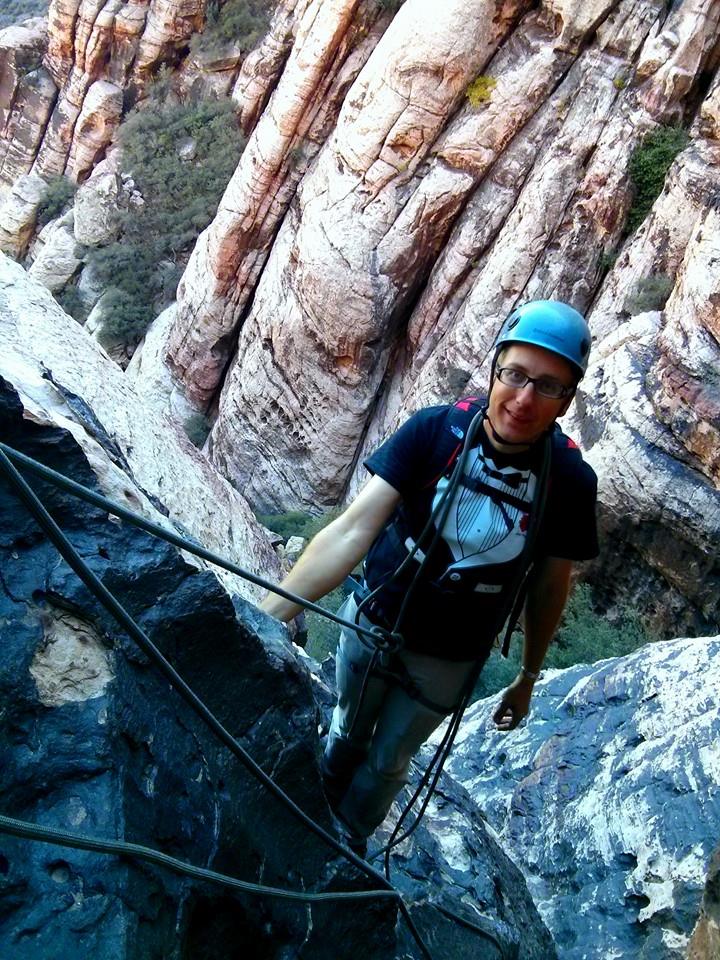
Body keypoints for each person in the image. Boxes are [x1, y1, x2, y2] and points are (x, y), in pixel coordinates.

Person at [261, 300, 598, 854]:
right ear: (494, 369)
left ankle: (345, 846)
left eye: (548, 386)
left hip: (450, 656)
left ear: (567, 398)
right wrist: (269, 615)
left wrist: (528, 676)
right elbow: (353, 530)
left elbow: (549, 587)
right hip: (377, 616)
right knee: (346, 727)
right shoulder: (436, 431)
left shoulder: (568, 481)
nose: (524, 399)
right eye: (515, 375)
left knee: (390, 760)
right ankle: (312, 816)